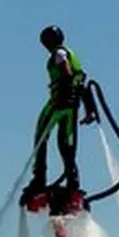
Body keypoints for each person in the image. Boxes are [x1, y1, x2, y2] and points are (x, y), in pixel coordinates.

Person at [19, 25, 99, 208]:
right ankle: (73, 182)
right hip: (71, 106)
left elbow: (67, 73)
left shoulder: (59, 54)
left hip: (58, 103)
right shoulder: (71, 54)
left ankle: (39, 179)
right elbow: (81, 84)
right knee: (66, 144)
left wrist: (65, 92)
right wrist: (89, 109)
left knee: (41, 135)